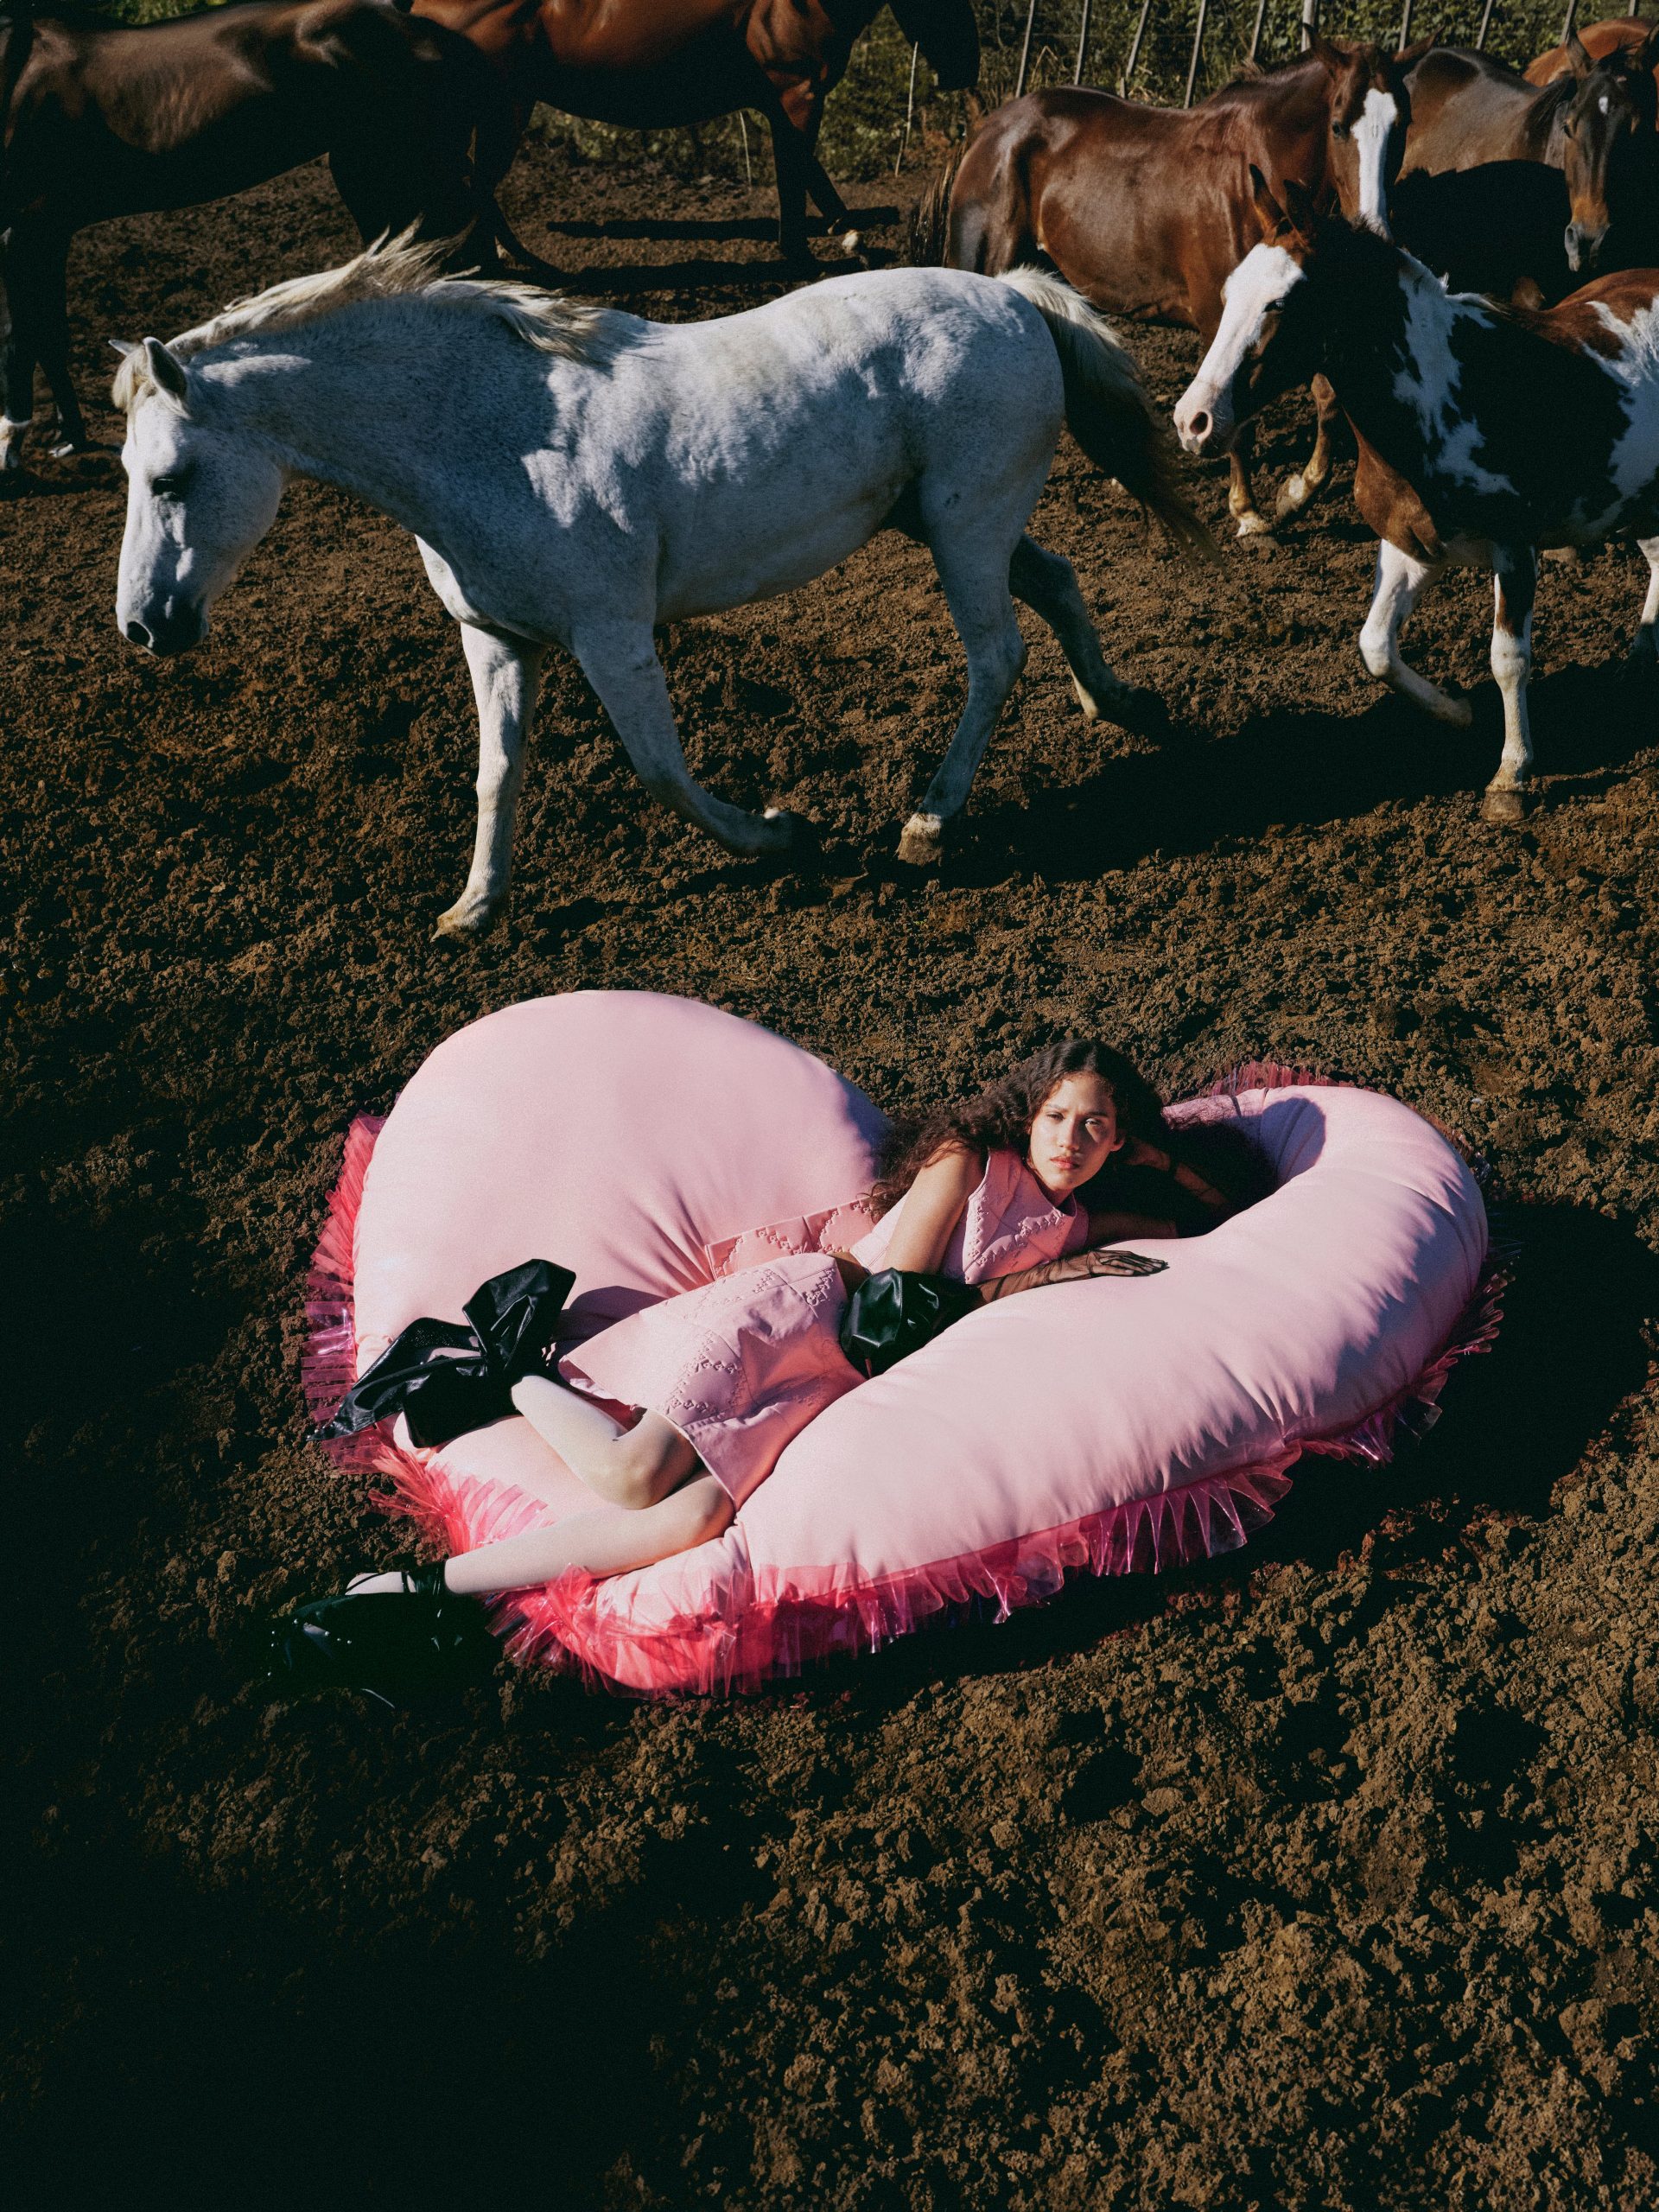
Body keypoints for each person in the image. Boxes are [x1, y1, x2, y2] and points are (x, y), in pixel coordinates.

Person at [269, 1039, 1258, 1691]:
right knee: (632, 1474)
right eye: (1060, 1118)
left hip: (832, 1385)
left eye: (1099, 1127)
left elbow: (1210, 1205)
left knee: (691, 1519)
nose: (1075, 1143)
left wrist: (1154, 1157)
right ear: (1027, 1111)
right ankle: (505, 1366)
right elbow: (895, 1306)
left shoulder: (1086, 1213)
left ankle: (414, 1594)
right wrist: (1043, 1281)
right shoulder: (971, 1156)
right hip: (806, 1315)